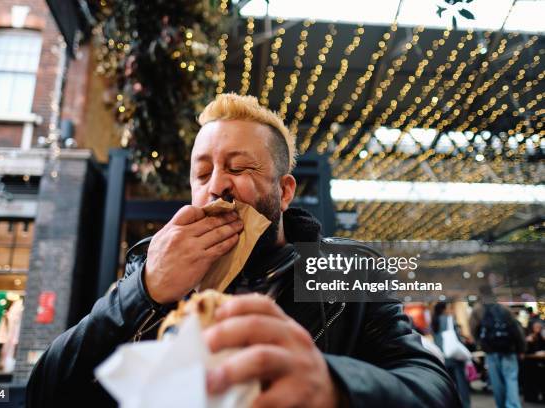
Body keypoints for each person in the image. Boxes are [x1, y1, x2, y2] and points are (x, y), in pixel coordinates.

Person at [26, 93, 459, 407]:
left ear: (284, 191)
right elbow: (46, 392)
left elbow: (434, 388)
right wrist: (142, 291)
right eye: (202, 173)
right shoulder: (149, 269)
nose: (217, 185)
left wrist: (336, 385)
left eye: (239, 168)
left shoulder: (347, 271)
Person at [470, 303, 526, 408]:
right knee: (511, 379)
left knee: (497, 383)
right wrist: (521, 349)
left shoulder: (479, 310)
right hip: (509, 351)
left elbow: (474, 330)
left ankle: (501, 405)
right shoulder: (504, 310)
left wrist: (482, 345)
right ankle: (513, 405)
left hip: (491, 352)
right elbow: (517, 330)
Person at [432, 302, 472, 408]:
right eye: (448, 308)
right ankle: (465, 405)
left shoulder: (434, 321)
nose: (449, 310)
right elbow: (457, 339)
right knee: (462, 384)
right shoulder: (448, 319)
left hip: (443, 357)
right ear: (443, 309)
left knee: (449, 385)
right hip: (455, 356)